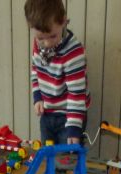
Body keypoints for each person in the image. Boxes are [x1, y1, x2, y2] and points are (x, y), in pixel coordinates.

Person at [24, 0, 90, 146]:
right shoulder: (38, 45)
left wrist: (74, 128)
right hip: (47, 114)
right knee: (48, 155)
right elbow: (35, 69)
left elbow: (76, 93)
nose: (47, 43)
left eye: (53, 36)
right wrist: (37, 96)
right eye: (41, 38)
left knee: (66, 157)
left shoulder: (73, 52)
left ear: (63, 21)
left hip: (69, 116)